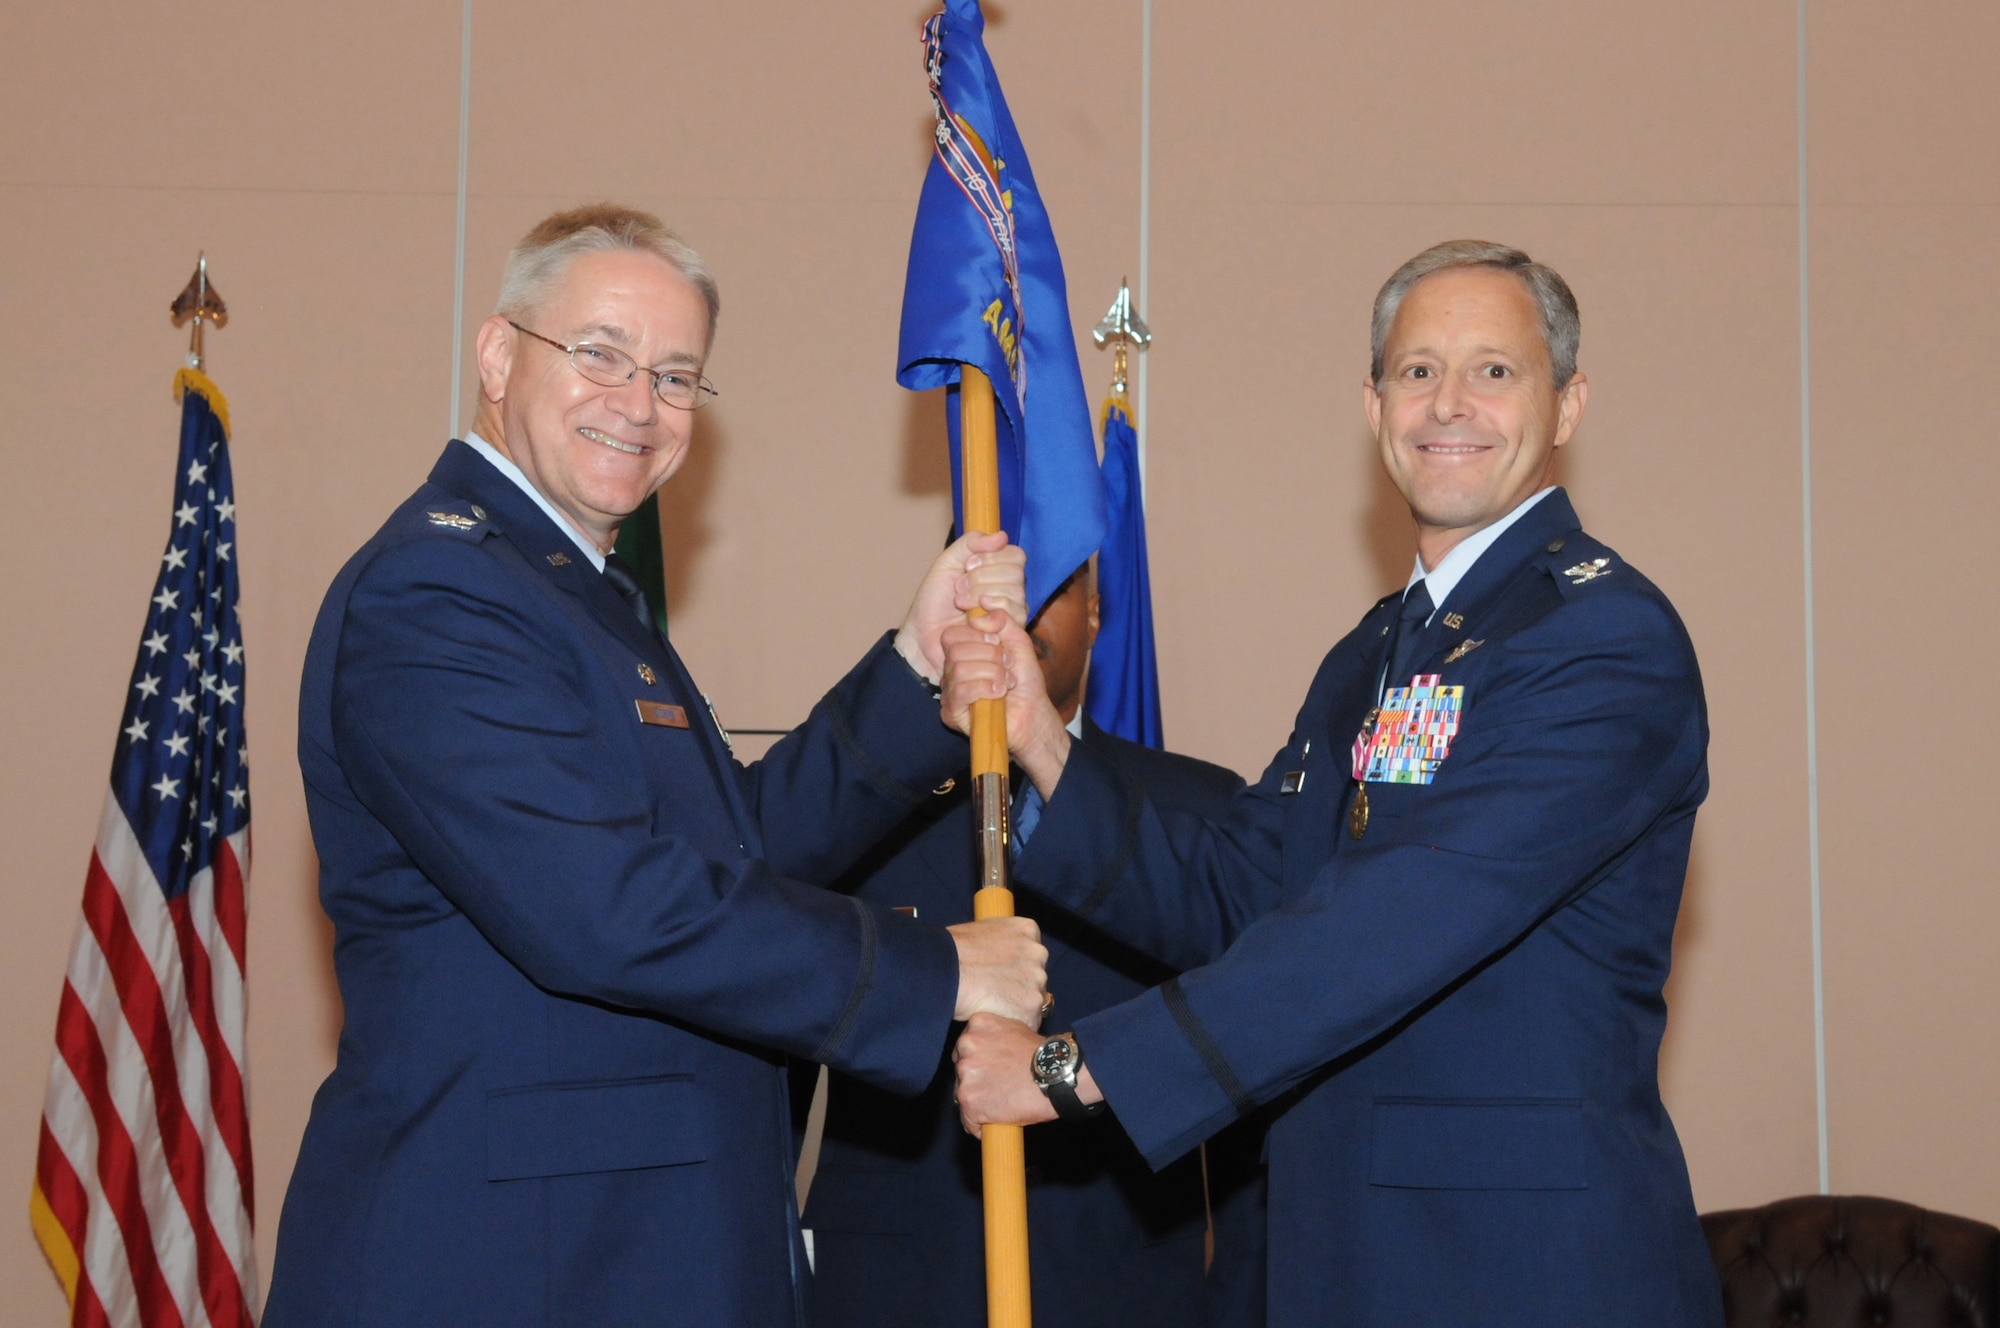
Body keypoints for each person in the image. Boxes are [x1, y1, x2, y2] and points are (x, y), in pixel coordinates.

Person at [264, 204, 1049, 1328]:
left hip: (629, 1250)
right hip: (511, 1266)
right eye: (599, 354)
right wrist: (932, 970)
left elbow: (734, 854)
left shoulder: (570, 593)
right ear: (496, 356)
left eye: (676, 376)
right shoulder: (436, 594)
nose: (638, 403)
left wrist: (914, 667)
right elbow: (602, 907)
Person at [945, 240, 1723, 1327]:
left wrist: (1080, 1066)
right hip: (1332, 1256)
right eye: (1415, 371)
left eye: (1493, 371)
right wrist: (1037, 736)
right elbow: (1241, 883)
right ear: (1371, 406)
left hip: (1520, 1270)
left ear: (1565, 404)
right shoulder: (1373, 652)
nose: (1447, 403)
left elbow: (1399, 916)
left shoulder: (1602, 639)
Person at [803, 563, 1266, 1328]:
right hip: (886, 1288)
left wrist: (1242, 1301)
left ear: (1095, 611)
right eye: (996, 582)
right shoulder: (855, 806)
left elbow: (1248, 1063)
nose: (1020, 609)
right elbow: (782, 1050)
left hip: (1128, 1290)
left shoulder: (1198, 811)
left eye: (1051, 585)